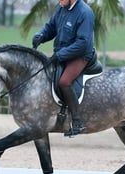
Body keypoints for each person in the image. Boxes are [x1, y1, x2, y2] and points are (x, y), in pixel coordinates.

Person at [32, 0, 95, 137]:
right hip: (63, 54)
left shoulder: (85, 12)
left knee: (64, 82)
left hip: (81, 55)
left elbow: (83, 43)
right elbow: (51, 27)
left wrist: (60, 55)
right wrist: (41, 36)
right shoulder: (62, 8)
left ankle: (77, 122)